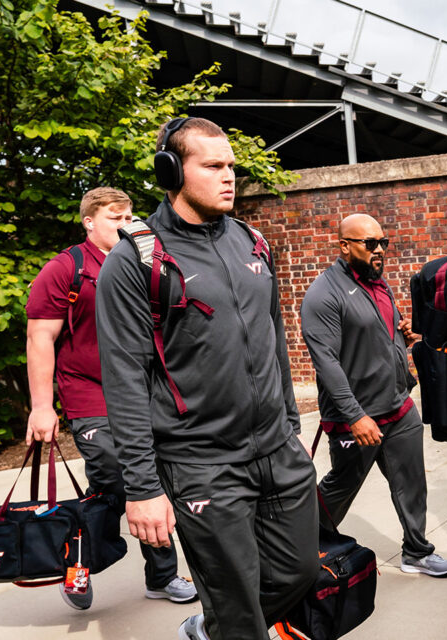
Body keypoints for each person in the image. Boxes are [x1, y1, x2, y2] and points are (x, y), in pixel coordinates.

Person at [95, 117, 318, 640]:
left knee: (299, 572)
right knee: (238, 607)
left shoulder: (252, 242)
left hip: (277, 453)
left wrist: (289, 425)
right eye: (213, 166)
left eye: (231, 166)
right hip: (201, 465)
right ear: (171, 171)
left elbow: (272, 339)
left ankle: (215, 625)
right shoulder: (136, 260)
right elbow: (125, 378)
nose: (228, 177)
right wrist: (143, 487)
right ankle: (229, 624)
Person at [25, 187, 198, 611]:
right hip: (90, 394)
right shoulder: (67, 268)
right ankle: (82, 567)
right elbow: (40, 338)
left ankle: (152, 576)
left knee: (134, 485)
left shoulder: (143, 260)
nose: (125, 225)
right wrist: (42, 406)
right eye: (114, 218)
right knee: (120, 480)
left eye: (128, 217)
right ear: (89, 222)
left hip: (143, 390)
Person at [300, 213, 447, 578]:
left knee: (412, 484)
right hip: (356, 417)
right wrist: (355, 415)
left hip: (398, 408)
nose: (379, 250)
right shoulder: (324, 294)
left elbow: (374, 333)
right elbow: (326, 362)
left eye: (383, 242)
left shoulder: (378, 284)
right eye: (369, 243)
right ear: (344, 246)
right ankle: (301, 547)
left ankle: (417, 551)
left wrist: (402, 331)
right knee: (341, 486)